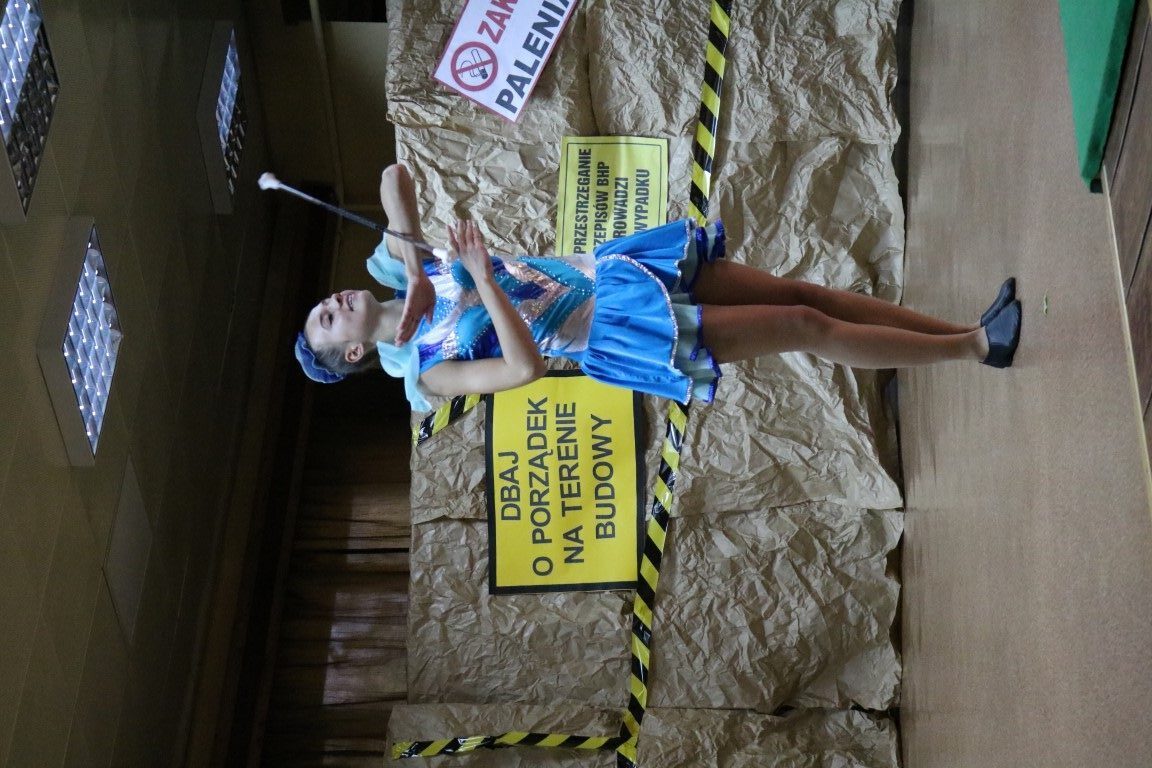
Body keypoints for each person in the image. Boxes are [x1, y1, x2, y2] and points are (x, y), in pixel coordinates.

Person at [295, 164, 1021, 410]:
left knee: (805, 295)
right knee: (804, 327)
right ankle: (976, 348)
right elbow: (523, 370)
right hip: (620, 327)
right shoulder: (428, 372)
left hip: (622, 271)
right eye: (327, 322)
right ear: (353, 354)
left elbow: (395, 178)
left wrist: (417, 270)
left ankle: (965, 328)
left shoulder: (402, 266)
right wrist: (481, 280)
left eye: (324, 302)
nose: (333, 305)